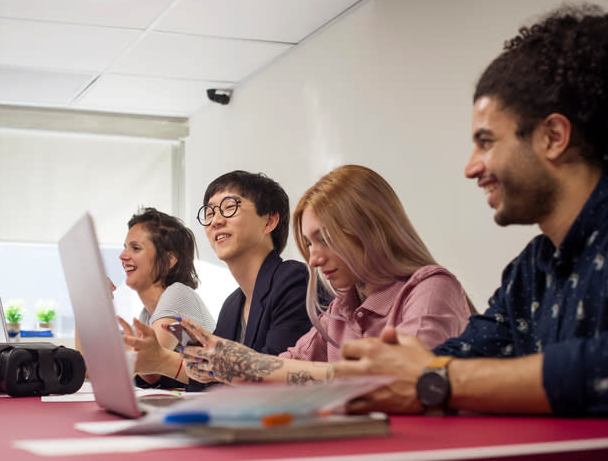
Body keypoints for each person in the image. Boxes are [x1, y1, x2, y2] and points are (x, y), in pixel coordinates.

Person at [335, 4, 608, 416]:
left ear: (553, 137)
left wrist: (433, 380)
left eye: (486, 142)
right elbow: (461, 359)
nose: (471, 167)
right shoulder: (529, 272)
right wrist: (391, 368)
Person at [177, 164, 472, 385]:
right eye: (308, 243)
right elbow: (289, 365)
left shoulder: (431, 288)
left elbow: (403, 381)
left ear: (371, 230)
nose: (314, 258)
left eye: (326, 239)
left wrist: (248, 366)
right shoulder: (340, 308)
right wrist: (235, 364)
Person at [122, 171, 312, 387]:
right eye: (209, 212)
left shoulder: (293, 280)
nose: (215, 221)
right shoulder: (232, 305)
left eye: (230, 207)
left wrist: (163, 359)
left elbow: (275, 375)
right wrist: (157, 361)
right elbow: (209, 382)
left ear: (269, 221)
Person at [115, 207, 215, 389]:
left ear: (169, 260)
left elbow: (149, 370)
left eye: (135, 248)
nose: (122, 256)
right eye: (125, 248)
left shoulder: (177, 293)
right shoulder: (147, 314)